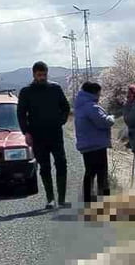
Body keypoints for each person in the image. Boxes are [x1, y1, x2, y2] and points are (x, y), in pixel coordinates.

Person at [17, 61, 71, 208]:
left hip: (55, 133)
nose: (42, 77)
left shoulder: (55, 89)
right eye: (39, 75)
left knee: (61, 163)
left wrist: (61, 121)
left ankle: (62, 199)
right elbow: (21, 114)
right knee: (44, 166)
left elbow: (65, 107)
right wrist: (26, 133)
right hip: (37, 135)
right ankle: (50, 199)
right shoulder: (26, 92)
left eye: (44, 74)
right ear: (34, 74)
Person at [74, 81, 113, 204]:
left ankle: (87, 200)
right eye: (99, 93)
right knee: (102, 174)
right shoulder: (91, 106)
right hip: (96, 145)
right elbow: (103, 122)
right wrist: (111, 118)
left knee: (89, 172)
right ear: (94, 92)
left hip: (86, 145)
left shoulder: (80, 106)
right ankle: (104, 201)